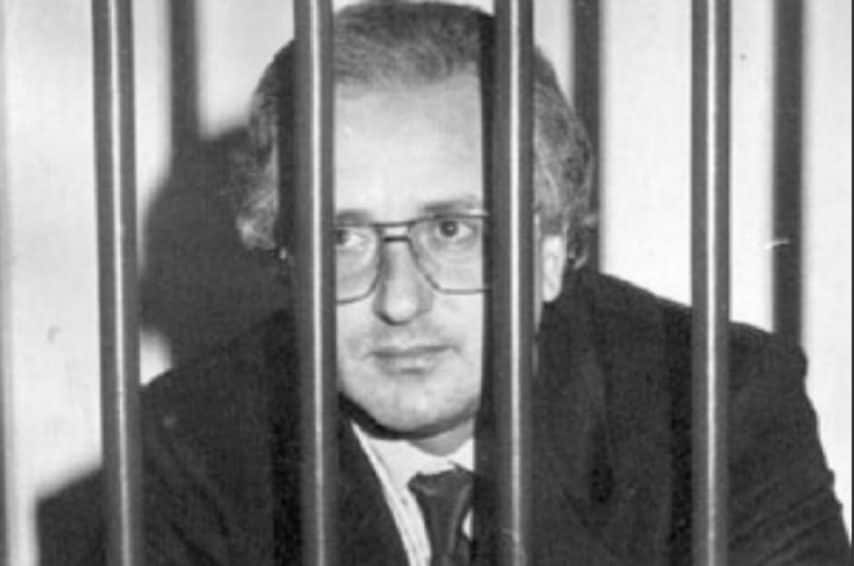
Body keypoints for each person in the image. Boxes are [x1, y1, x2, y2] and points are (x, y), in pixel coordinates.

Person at [55, 2, 849, 565]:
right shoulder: (189, 451)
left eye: (453, 230)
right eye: (342, 238)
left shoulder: (713, 406)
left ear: (549, 250)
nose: (399, 301)